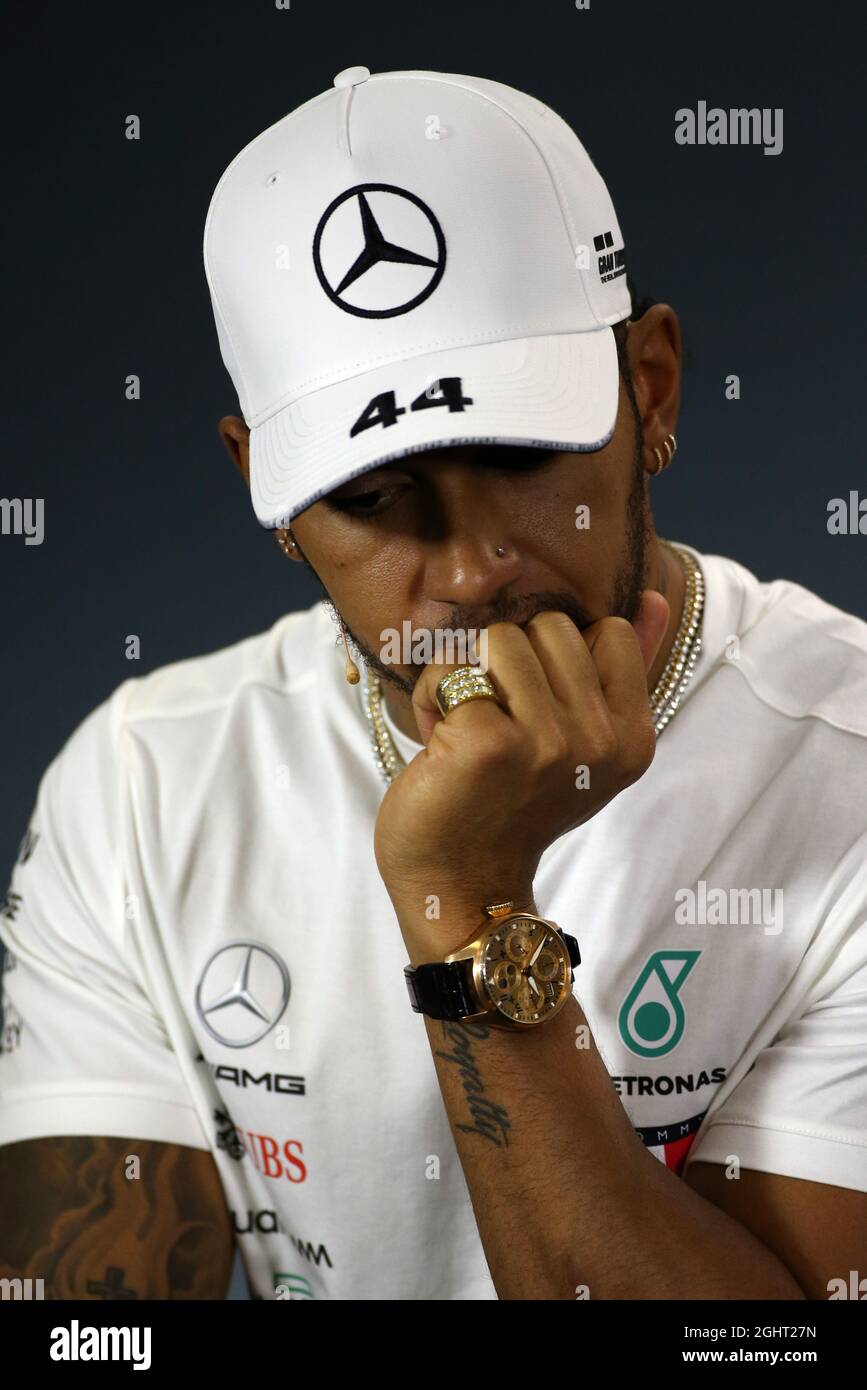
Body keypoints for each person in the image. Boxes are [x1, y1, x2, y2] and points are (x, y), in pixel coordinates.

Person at [1, 66, 865, 1302]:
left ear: (653, 388)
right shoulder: (141, 787)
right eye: (371, 496)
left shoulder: (850, 772)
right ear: (273, 494)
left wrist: (465, 904)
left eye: (519, 455)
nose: (470, 572)